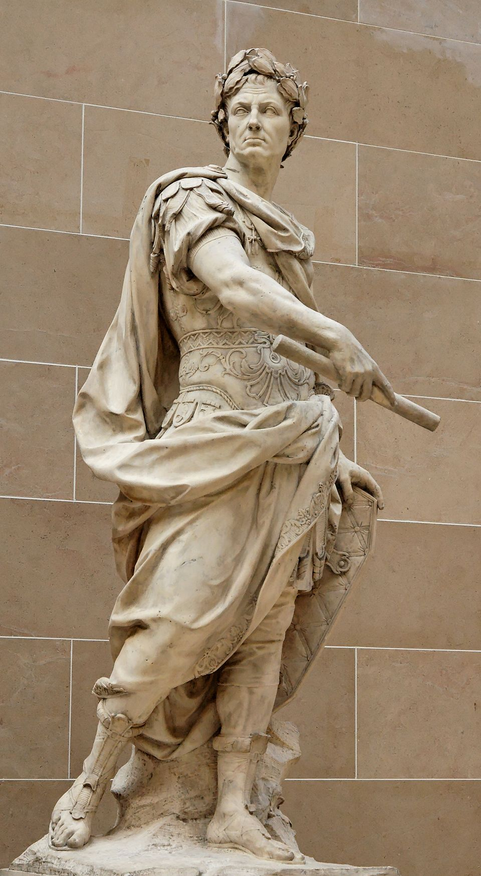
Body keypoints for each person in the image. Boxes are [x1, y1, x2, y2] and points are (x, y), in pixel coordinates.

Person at [49, 47, 392, 861]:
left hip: (290, 445)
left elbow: (285, 355)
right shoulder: (191, 199)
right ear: (222, 123)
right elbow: (234, 287)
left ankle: (233, 806)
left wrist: (329, 449)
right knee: (174, 618)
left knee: (263, 630)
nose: (253, 122)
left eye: (269, 110)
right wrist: (335, 335)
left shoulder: (290, 235)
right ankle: (91, 781)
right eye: (240, 109)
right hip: (211, 436)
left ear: (292, 131)